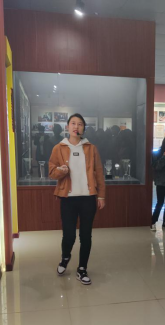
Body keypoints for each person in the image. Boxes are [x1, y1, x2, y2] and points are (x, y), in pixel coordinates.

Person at [48, 114, 106, 286]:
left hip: (88, 198)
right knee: (69, 235)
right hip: (68, 198)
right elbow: (51, 172)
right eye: (73, 123)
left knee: (86, 235)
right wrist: (61, 171)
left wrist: (101, 195)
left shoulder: (91, 148)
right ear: (67, 127)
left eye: (80, 124)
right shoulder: (58, 148)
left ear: (83, 128)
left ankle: (82, 269)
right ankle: (65, 257)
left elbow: (99, 173)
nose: (76, 127)